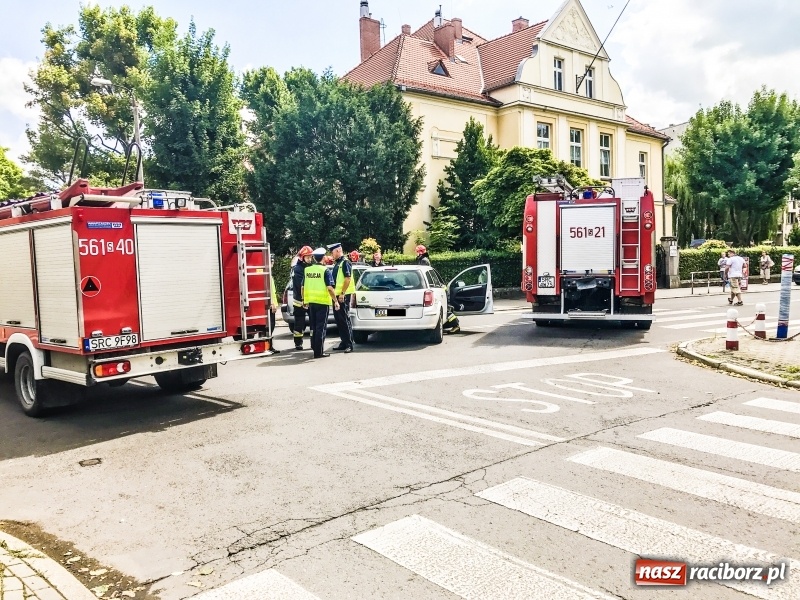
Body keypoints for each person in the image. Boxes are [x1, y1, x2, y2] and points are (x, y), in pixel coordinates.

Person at [302, 248, 339, 358]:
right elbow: (330, 288)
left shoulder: (307, 270)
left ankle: (313, 346)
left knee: (313, 327)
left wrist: (304, 300)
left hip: (311, 302)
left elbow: (302, 287)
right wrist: (335, 301)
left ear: (313, 258)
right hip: (322, 303)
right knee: (320, 328)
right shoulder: (325, 270)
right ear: (323, 258)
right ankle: (318, 352)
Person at [327, 242, 354, 353]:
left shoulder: (345, 263)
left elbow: (347, 279)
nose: (331, 254)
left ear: (338, 251)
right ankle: (344, 342)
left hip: (343, 296)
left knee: (344, 320)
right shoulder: (338, 263)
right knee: (339, 320)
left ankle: (349, 344)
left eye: (332, 252)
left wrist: (342, 293)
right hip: (337, 296)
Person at [290, 246, 314, 350]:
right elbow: (301, 285)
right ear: (302, 258)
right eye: (307, 257)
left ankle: (314, 342)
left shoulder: (311, 267)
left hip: (310, 299)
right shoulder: (298, 269)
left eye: (310, 257)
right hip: (299, 301)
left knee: (314, 322)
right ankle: (298, 343)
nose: (309, 259)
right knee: (299, 323)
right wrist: (304, 299)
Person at [267, 255, 280, 354]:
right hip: (270, 305)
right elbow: (268, 291)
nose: (272, 263)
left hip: (272, 304)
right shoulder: (267, 274)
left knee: (271, 327)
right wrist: (272, 303)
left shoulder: (269, 274)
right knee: (270, 327)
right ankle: (268, 347)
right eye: (271, 261)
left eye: (272, 261)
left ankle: (269, 346)